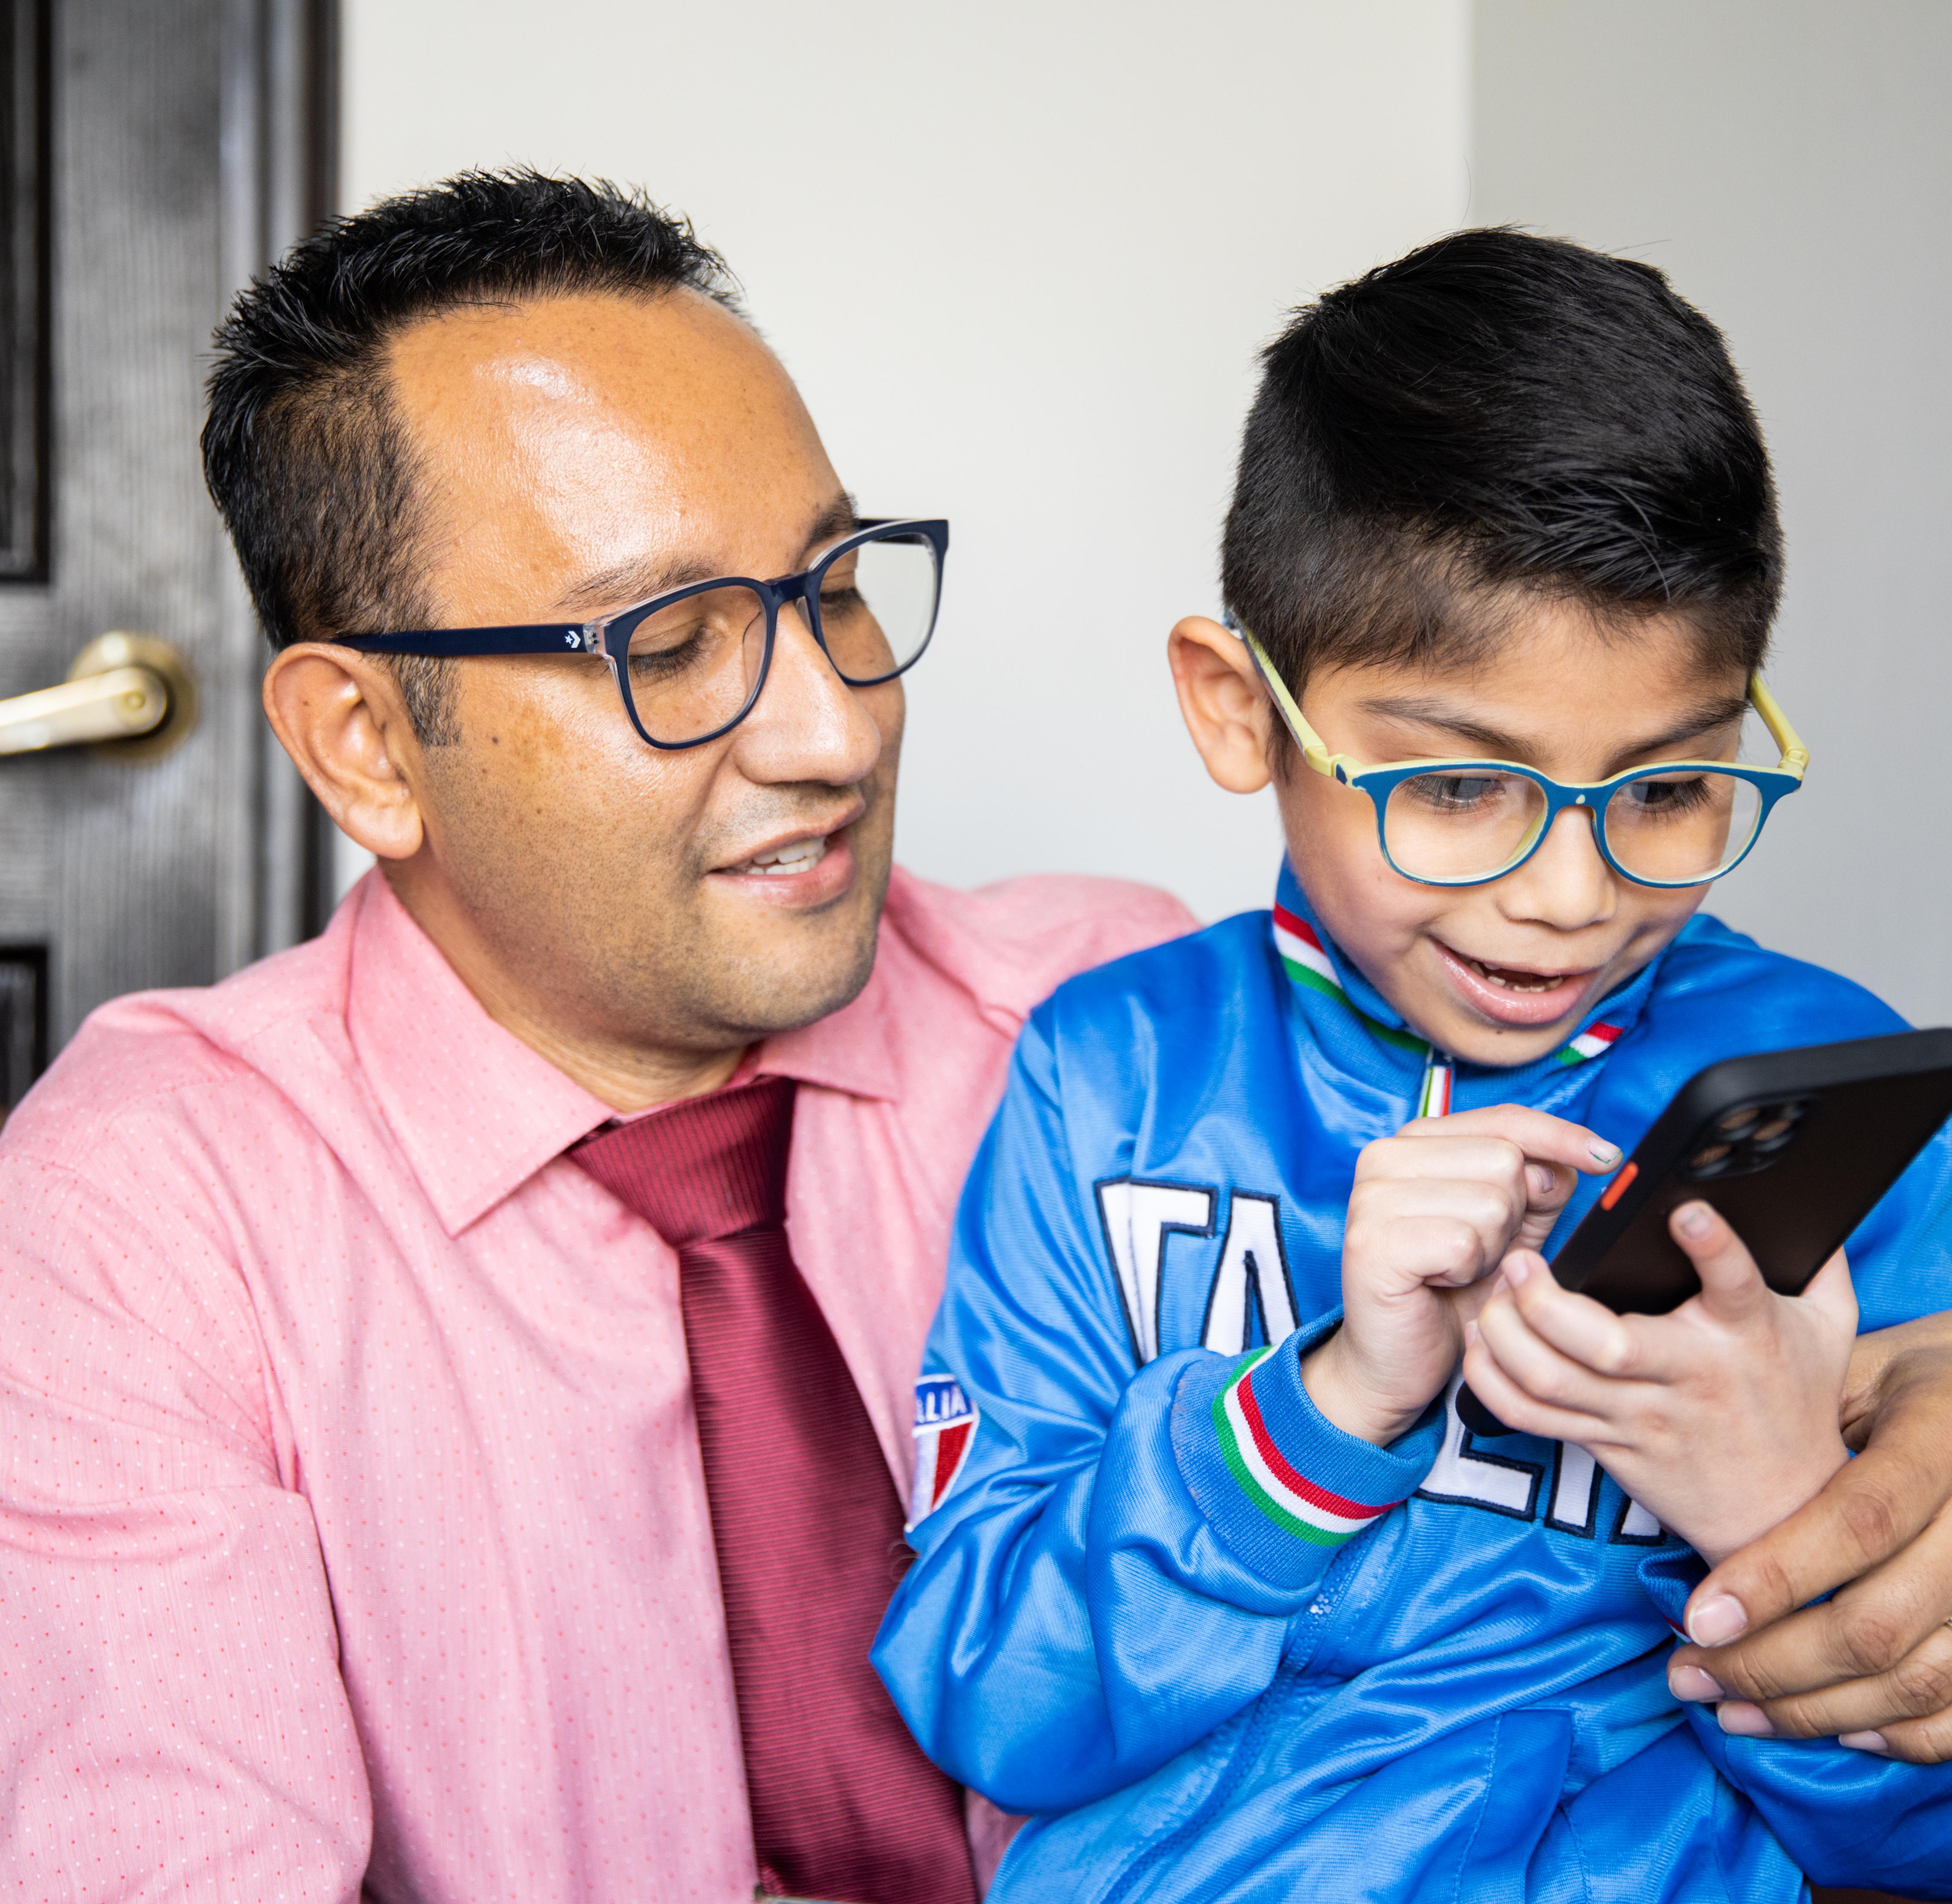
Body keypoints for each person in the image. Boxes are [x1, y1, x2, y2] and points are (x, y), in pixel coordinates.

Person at [0, 172, 1196, 1901]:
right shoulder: (137, 1225)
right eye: (666, 642)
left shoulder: (1118, 1030)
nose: (831, 730)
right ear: (365, 745)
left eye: (835, 586)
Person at [871, 230, 1952, 1902]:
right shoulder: (1106, 1079)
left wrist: (1776, 1508)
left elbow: (1918, 1839)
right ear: (1238, 708)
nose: (1570, 895)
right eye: (1456, 789)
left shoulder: (1834, 1102)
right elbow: (986, 1699)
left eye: (1665, 790)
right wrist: (1318, 1412)